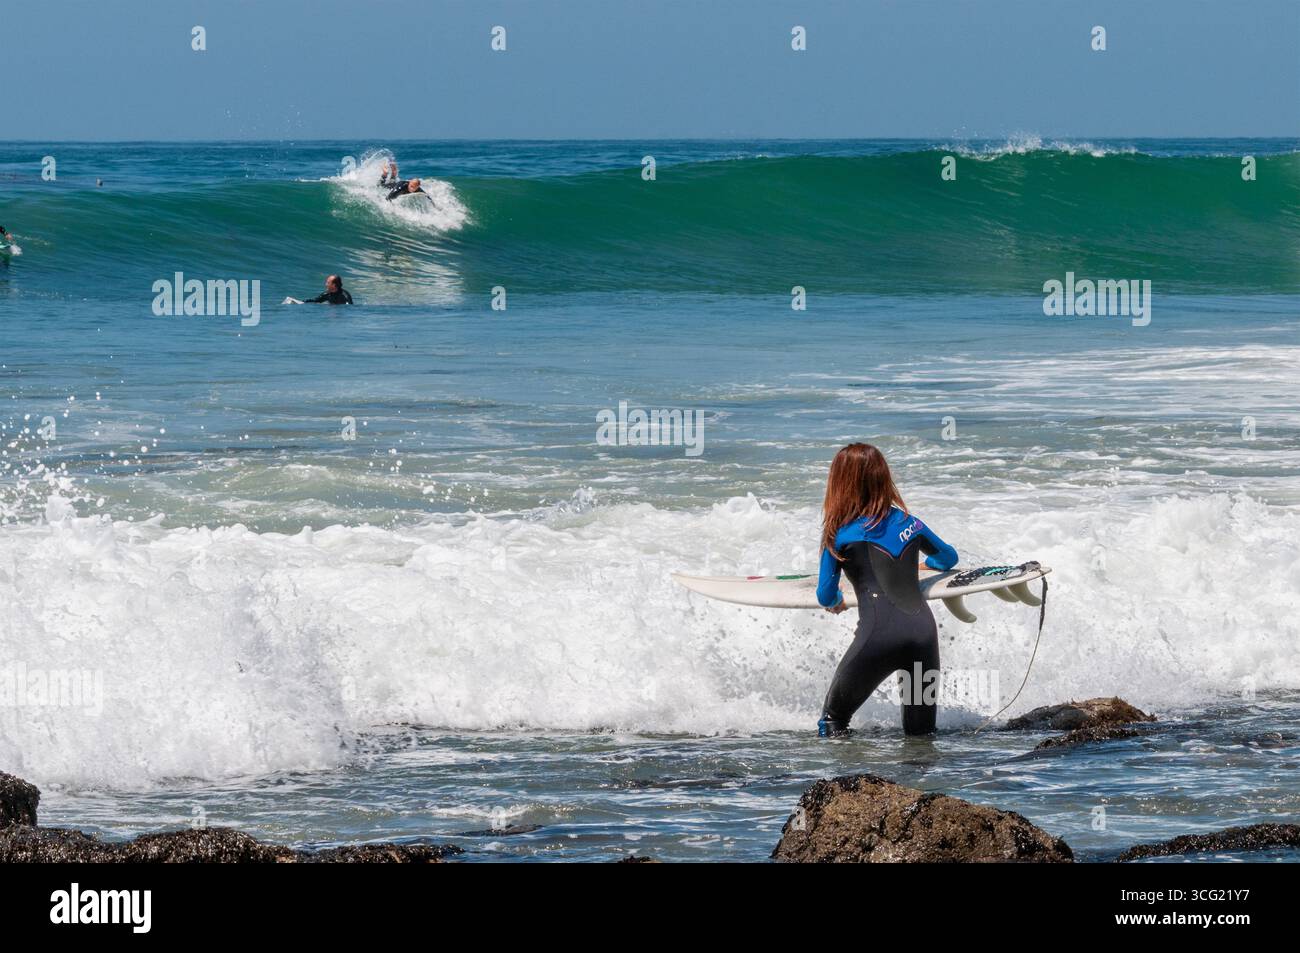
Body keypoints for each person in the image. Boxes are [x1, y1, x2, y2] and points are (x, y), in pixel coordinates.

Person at [814, 443, 958, 737]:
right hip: (923, 636)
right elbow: (947, 558)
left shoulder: (839, 534)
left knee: (833, 720)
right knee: (921, 735)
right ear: (883, 478)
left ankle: (845, 781)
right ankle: (925, 781)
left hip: (877, 638)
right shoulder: (911, 523)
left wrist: (838, 599)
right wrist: (923, 563)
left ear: (839, 482)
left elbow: (825, 594)